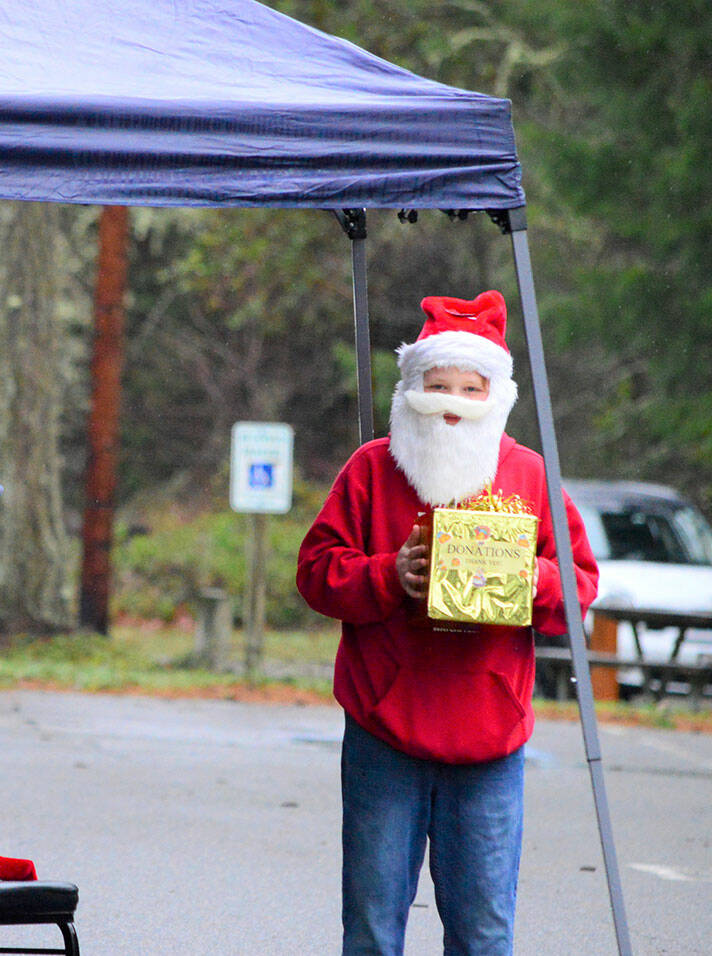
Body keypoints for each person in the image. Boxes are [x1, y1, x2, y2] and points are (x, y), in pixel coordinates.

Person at [296, 290, 598, 956]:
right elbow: (316, 572)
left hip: (489, 737)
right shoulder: (371, 469)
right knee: (373, 927)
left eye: (470, 387)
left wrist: (530, 579)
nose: (454, 402)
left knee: (484, 932)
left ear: (496, 394)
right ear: (412, 389)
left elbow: (579, 588)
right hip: (385, 730)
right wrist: (387, 575)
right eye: (438, 385)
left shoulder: (529, 474)